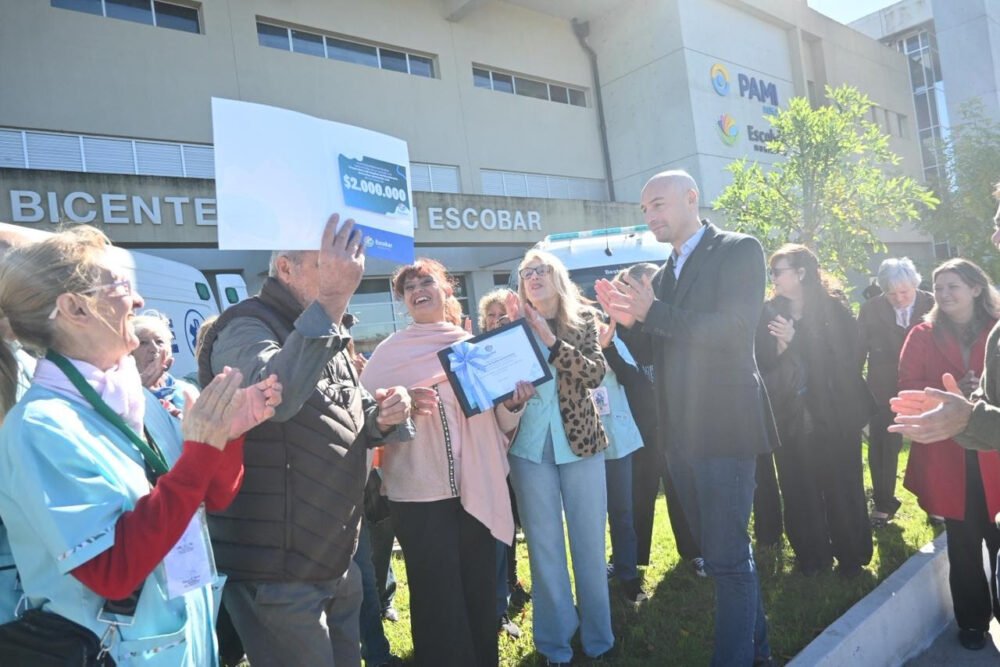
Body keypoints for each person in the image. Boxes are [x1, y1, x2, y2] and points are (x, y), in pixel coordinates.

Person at [0, 225, 282, 665]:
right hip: (116, 653)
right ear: (75, 308)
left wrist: (227, 436)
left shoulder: (139, 400)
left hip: (183, 640)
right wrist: (203, 450)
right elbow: (111, 571)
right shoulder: (40, 426)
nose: (138, 301)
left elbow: (209, 496)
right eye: (121, 286)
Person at [197, 214, 414, 667]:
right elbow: (276, 399)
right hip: (277, 567)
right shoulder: (244, 326)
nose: (346, 271)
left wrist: (383, 418)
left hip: (330, 556)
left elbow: (337, 419)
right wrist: (332, 301)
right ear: (285, 268)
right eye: (328, 263)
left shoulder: (326, 327)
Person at [595, 169, 777, 666]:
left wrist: (650, 313)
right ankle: (758, 653)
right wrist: (624, 329)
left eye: (659, 204)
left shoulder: (740, 249)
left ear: (692, 198)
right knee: (724, 559)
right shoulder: (666, 271)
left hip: (725, 426)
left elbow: (735, 331)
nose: (651, 216)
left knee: (728, 561)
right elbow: (660, 344)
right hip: (681, 434)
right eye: (645, 209)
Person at [361, 259, 532, 667]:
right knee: (436, 596)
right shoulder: (388, 355)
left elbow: (498, 423)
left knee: (476, 589)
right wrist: (393, 410)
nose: (418, 289)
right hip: (418, 496)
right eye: (409, 287)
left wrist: (513, 404)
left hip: (477, 486)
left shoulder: (471, 347)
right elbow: (363, 420)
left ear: (447, 290)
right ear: (404, 302)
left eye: (427, 282)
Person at [506, 250, 613, 666]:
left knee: (588, 544)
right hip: (529, 449)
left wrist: (549, 340)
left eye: (541, 270)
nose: (533, 277)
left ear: (557, 276)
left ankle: (599, 639)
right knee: (544, 548)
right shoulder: (511, 328)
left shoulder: (584, 321)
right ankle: (555, 646)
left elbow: (594, 373)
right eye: (525, 273)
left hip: (581, 444)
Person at [897, 258, 1000, 650]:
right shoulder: (922, 334)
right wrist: (952, 389)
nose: (943, 294)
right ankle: (973, 623)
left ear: (976, 288)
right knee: (963, 541)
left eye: (953, 286)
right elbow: (906, 387)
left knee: (998, 537)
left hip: (995, 453)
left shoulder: (997, 330)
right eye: (939, 288)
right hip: (949, 457)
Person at [756, 244, 875, 577]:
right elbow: (760, 361)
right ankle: (812, 557)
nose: (774, 278)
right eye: (773, 272)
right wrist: (779, 348)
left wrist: (795, 341)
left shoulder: (833, 309)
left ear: (802, 273)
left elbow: (846, 360)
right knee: (798, 486)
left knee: (842, 484)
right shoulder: (769, 312)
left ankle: (851, 556)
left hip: (834, 414)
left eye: (779, 271)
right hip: (789, 416)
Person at [615, 264, 703, 577]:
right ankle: (631, 558)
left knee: (682, 489)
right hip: (636, 425)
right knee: (637, 493)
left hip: (676, 420)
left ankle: (696, 552)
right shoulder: (616, 327)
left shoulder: (670, 317)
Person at [858, 258, 934, 527]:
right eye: (891, 294)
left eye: (905, 292)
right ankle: (883, 503)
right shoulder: (870, 309)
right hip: (883, 388)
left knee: (932, 445)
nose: (899, 299)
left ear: (915, 285)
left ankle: (935, 503)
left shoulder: (933, 303)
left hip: (927, 384)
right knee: (882, 445)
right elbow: (860, 349)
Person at [477, 287, 531, 639]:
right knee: (496, 527)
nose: (496, 322)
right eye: (490, 317)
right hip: (491, 455)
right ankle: (497, 602)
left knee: (514, 524)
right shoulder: (476, 354)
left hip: (524, 449)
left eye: (503, 316)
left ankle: (511, 583)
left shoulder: (527, 348)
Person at [594, 316, 647, 603]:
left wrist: (607, 348)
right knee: (590, 517)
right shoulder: (562, 346)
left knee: (622, 512)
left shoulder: (612, 340)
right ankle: (594, 574)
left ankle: (628, 575)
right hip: (582, 442)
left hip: (617, 439)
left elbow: (634, 379)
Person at [132, 311, 200, 414]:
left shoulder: (187, 390)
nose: (154, 348)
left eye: (159, 341)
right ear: (129, 352)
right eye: (143, 343)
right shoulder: (122, 394)